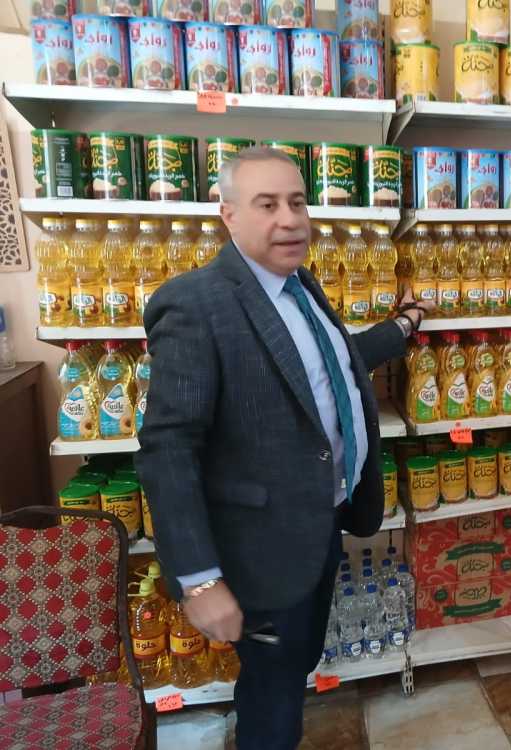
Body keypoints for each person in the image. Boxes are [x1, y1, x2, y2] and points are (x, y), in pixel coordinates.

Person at [135, 147, 430, 750]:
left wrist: (402, 327)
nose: (290, 220)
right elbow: (168, 449)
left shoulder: (298, 284)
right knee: (273, 691)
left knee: (291, 666)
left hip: (319, 526)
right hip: (260, 549)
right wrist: (199, 580)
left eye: (297, 202)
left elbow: (330, 365)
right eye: (267, 205)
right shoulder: (195, 303)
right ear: (228, 215)